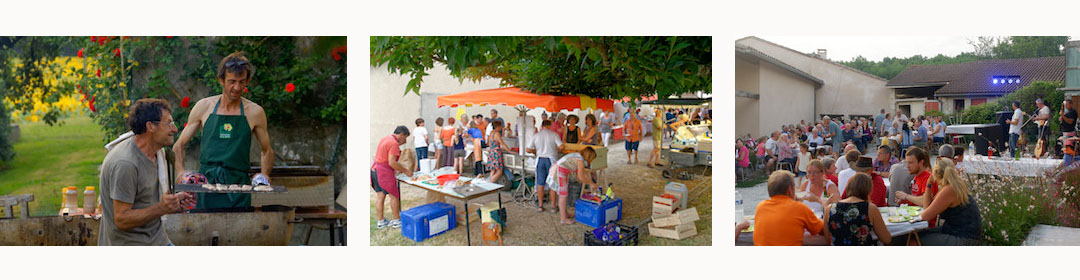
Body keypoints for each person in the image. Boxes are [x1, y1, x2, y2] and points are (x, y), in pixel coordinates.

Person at [174, 52, 274, 210]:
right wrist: (180, 172)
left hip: (239, 187)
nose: (237, 87)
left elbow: (266, 150)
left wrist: (264, 175)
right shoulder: (203, 107)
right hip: (206, 186)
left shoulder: (255, 112)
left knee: (239, 231)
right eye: (232, 82)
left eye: (242, 82)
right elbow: (179, 145)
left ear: (247, 81)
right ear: (221, 80)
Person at [100, 99, 195, 245]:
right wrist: (161, 208)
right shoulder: (125, 164)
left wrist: (174, 203)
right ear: (150, 126)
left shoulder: (157, 154)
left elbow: (147, 203)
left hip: (157, 239)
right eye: (168, 123)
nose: (175, 129)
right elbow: (121, 219)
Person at [900, 158, 983, 245]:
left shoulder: (949, 190)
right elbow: (927, 206)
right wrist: (928, 185)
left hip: (964, 238)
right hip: (959, 232)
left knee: (914, 240)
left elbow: (925, 215)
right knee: (915, 234)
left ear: (935, 173)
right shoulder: (953, 185)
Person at [754, 170, 825, 246]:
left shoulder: (760, 207)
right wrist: (825, 205)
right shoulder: (799, 208)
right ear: (790, 190)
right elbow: (822, 230)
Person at [824, 172, 891, 246]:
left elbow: (827, 239)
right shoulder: (870, 208)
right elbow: (886, 239)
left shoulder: (829, 208)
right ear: (869, 189)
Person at [371, 126, 414, 229]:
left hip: (374, 170)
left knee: (380, 196)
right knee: (394, 196)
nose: (405, 141)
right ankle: (397, 221)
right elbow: (392, 162)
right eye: (405, 138)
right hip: (384, 172)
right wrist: (406, 171)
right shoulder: (394, 143)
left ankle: (381, 221)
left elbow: (386, 158)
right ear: (401, 135)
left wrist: (397, 169)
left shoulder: (385, 138)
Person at [547, 147, 599, 224]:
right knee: (563, 196)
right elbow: (581, 177)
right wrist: (591, 183)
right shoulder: (580, 161)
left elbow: (583, 174)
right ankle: (563, 219)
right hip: (559, 171)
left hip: (559, 169)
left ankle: (565, 213)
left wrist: (590, 182)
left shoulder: (578, 156)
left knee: (564, 194)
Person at [894, 146, 938, 228]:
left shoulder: (927, 178)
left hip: (923, 225)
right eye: (907, 162)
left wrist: (906, 196)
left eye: (911, 163)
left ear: (921, 163)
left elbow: (924, 201)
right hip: (914, 220)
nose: (907, 166)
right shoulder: (916, 177)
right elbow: (915, 199)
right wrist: (903, 201)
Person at [528, 120, 565, 213]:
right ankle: (553, 206)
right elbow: (561, 147)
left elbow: (528, 149)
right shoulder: (554, 134)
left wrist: (535, 151)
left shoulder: (536, 135)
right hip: (551, 160)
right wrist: (554, 149)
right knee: (552, 183)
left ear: (542, 126)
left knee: (540, 183)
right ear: (550, 125)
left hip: (540, 160)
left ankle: (540, 206)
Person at [485, 120, 511, 185]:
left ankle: (491, 182)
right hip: (496, 153)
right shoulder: (497, 133)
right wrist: (509, 151)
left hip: (491, 152)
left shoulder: (491, 133)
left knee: (493, 170)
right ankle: (491, 182)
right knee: (499, 170)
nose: (501, 127)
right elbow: (503, 144)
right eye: (500, 126)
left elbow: (490, 143)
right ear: (498, 126)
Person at [1061, 99, 1078, 165]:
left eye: (1067, 104)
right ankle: (1067, 158)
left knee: (1069, 147)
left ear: (1071, 104)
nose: (1066, 106)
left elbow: (1070, 121)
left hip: (1069, 131)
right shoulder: (1067, 112)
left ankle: (1069, 160)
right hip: (1065, 131)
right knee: (1065, 146)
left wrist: (1063, 116)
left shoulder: (1073, 112)